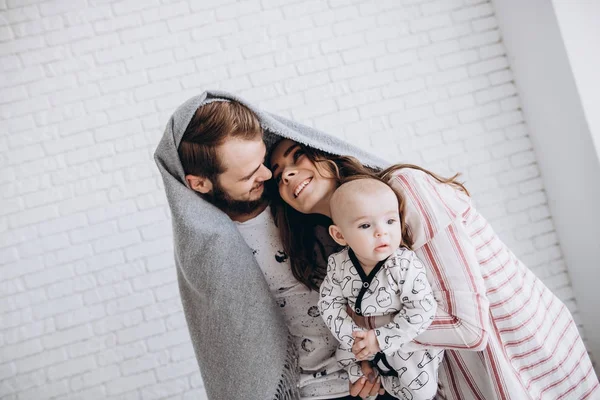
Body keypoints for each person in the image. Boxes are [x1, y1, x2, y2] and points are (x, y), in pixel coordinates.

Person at [269, 138, 600, 400]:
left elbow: (466, 325)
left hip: (521, 352)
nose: (286, 173)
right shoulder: (347, 256)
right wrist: (373, 368)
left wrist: (371, 338)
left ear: (326, 151)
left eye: (296, 156)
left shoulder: (405, 190)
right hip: (464, 380)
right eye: (277, 172)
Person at [155, 92, 395, 400]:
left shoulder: (297, 199)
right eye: (249, 174)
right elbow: (231, 346)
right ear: (200, 184)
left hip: (379, 370)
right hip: (308, 392)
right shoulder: (206, 254)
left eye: (263, 162)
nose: (268, 175)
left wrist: (375, 358)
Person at [320, 178, 443, 400]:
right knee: (344, 359)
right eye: (366, 225)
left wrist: (379, 340)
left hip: (399, 339)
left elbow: (421, 310)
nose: (381, 232)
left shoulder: (404, 264)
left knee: (422, 392)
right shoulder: (338, 265)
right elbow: (329, 304)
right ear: (339, 235)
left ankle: (386, 384)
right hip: (357, 337)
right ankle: (372, 378)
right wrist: (353, 339)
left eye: (390, 221)